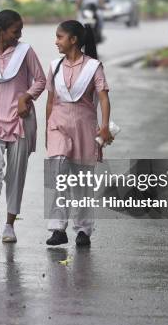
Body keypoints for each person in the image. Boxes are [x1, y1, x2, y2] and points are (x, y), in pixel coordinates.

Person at [0, 9, 47, 243]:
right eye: (16, 30)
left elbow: (41, 80)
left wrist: (26, 97)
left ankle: (9, 225)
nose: (19, 34)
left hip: (20, 120)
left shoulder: (25, 52)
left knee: (16, 174)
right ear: (1, 32)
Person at [45, 20, 112, 247]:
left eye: (60, 37)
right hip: (58, 127)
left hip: (84, 127)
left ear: (73, 40)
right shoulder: (54, 66)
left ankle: (83, 230)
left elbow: (103, 97)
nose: (56, 42)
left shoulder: (94, 67)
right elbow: (50, 101)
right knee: (59, 175)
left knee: (81, 181)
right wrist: (47, 129)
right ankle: (57, 228)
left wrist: (104, 126)